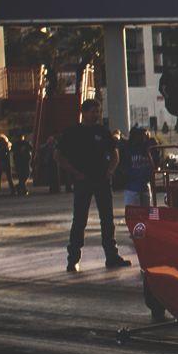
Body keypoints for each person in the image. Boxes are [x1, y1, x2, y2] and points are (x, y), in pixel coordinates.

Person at [56, 99, 130, 273]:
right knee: (80, 220)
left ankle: (111, 256)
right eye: (93, 111)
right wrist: (75, 173)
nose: (96, 115)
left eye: (98, 111)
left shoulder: (102, 132)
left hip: (102, 181)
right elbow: (58, 156)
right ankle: (73, 259)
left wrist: (110, 171)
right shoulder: (72, 132)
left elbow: (115, 154)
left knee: (107, 220)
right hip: (83, 181)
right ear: (84, 112)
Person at [122, 126, 158, 206]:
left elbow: (154, 164)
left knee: (146, 212)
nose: (143, 138)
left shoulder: (149, 148)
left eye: (145, 136)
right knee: (133, 213)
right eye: (141, 136)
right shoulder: (129, 148)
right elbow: (125, 166)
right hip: (132, 187)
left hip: (145, 185)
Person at [9, 131, 33, 195]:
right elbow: (13, 152)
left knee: (26, 175)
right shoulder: (15, 144)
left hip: (25, 161)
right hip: (19, 162)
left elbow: (31, 148)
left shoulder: (26, 143)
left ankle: (19, 187)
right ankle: (23, 189)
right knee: (21, 176)